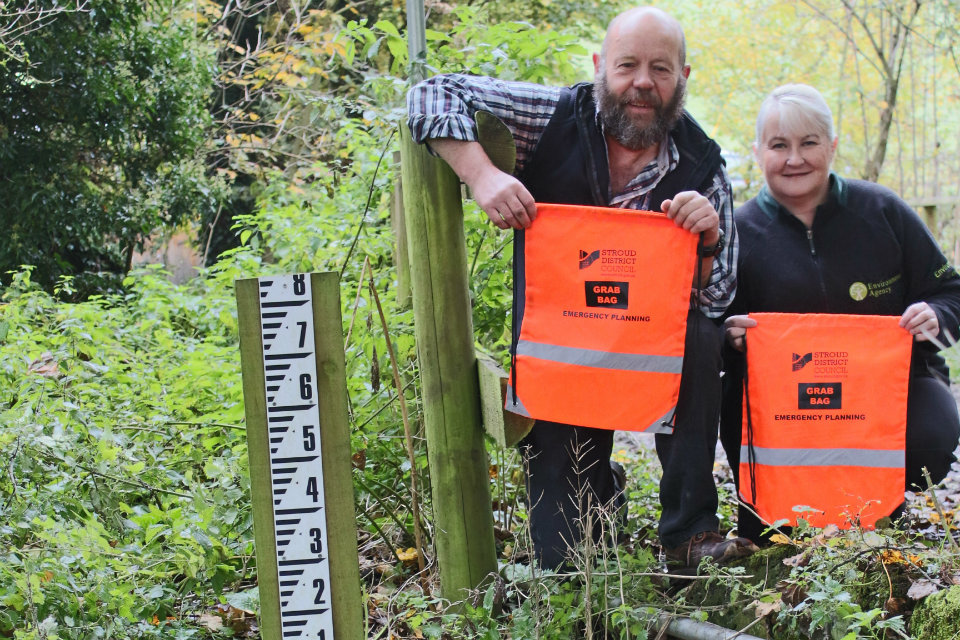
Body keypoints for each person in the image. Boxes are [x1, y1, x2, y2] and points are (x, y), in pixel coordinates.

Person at [407, 6, 757, 569]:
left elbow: (716, 303)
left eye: (661, 69)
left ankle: (689, 537)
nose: (643, 82)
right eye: (627, 66)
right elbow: (430, 93)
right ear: (600, 68)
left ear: (683, 79)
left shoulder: (703, 167)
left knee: (702, 334)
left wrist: (708, 240)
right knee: (563, 562)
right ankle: (601, 497)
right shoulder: (553, 115)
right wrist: (483, 175)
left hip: (651, 350)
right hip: (562, 349)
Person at [720, 83, 960, 543]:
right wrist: (729, 337)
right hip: (784, 409)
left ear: (831, 146)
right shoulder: (738, 230)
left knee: (932, 433)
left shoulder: (884, 211)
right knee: (773, 532)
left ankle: (881, 505)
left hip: (890, 388)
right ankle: (768, 511)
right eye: (779, 146)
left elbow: (950, 292)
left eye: (809, 143)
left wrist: (934, 315)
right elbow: (710, 324)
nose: (795, 159)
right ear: (757, 153)